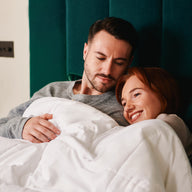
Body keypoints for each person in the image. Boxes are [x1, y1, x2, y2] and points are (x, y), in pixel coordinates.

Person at [0, 17, 137, 143]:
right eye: (100, 58)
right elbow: (2, 124)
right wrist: (22, 127)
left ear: (128, 63)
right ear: (85, 52)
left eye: (119, 62)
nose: (107, 70)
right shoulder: (53, 91)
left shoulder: (126, 105)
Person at [115, 66, 192, 158]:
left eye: (136, 94)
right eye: (124, 103)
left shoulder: (173, 122)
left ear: (161, 93)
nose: (127, 108)